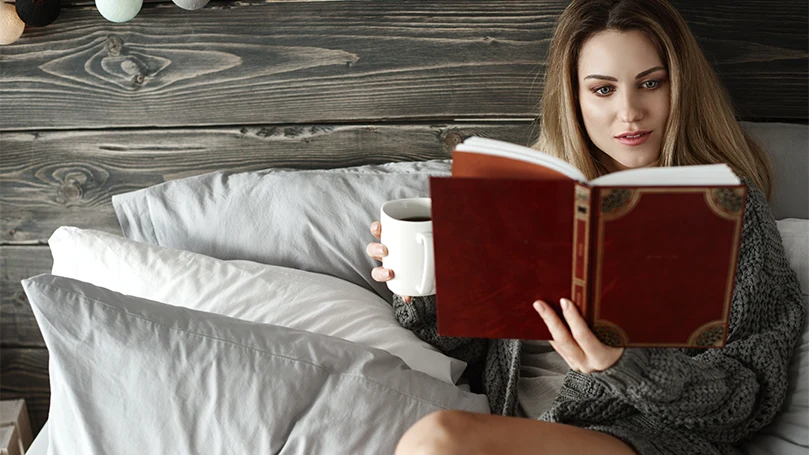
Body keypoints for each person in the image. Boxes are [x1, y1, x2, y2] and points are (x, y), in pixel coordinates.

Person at [365, 0, 806, 454]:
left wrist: (623, 363)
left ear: (680, 87)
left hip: (646, 441)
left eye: (650, 83)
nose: (630, 111)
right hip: (515, 429)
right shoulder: (523, 201)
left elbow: (747, 397)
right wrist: (423, 285)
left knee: (437, 441)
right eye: (603, 90)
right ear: (574, 96)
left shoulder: (730, 211)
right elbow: (466, 351)